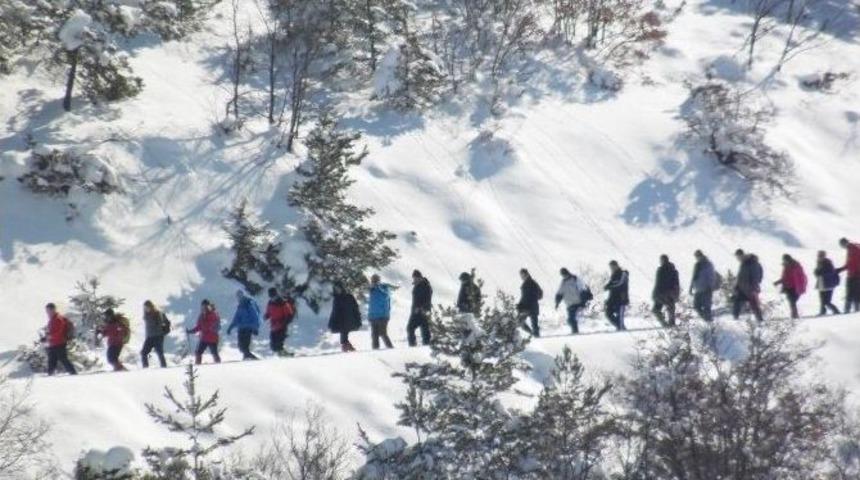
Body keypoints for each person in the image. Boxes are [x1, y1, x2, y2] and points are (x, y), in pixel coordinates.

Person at [44, 303, 77, 376]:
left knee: (63, 359)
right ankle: (50, 374)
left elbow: (59, 332)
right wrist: (47, 337)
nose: (47, 313)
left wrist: (49, 336)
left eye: (48, 310)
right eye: (47, 311)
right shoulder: (52, 320)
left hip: (60, 342)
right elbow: (51, 331)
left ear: (53, 310)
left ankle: (73, 373)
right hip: (53, 343)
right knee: (52, 360)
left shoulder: (58, 319)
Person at [228, 290, 261, 360]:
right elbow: (236, 318)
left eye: (240, 296)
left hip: (248, 328)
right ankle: (247, 357)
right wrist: (231, 327)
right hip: (241, 328)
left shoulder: (249, 304)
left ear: (243, 295)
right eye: (238, 296)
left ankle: (253, 359)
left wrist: (255, 328)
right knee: (241, 346)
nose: (239, 298)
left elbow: (255, 316)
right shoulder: (240, 306)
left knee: (244, 347)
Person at [733, 249, 764, 322]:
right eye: (737, 257)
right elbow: (740, 276)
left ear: (742, 255)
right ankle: (735, 319)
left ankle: (760, 321)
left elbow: (756, 276)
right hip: (742, 288)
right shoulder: (743, 263)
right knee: (737, 302)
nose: (738, 259)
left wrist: (754, 287)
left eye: (738, 256)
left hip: (751, 289)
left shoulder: (752, 263)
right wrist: (737, 286)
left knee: (755, 306)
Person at [329, 282, 361, 352]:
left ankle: (346, 347)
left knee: (344, 333)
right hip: (345, 321)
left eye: (338, 289)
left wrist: (357, 318)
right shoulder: (340, 298)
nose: (337, 291)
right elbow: (335, 312)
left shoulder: (347, 297)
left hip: (347, 320)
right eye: (336, 289)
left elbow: (355, 308)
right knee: (344, 333)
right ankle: (347, 346)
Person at [187, 299, 221, 365]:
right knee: (198, 352)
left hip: (212, 337)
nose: (204, 307)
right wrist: (191, 331)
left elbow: (211, 325)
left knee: (214, 353)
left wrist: (205, 326)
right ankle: (198, 366)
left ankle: (218, 365)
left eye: (205, 306)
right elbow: (199, 326)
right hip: (205, 338)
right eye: (203, 306)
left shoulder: (213, 314)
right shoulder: (202, 315)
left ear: (208, 306)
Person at [774, 254, 807, 319]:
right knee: (792, 301)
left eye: (785, 260)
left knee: (792, 301)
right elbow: (784, 277)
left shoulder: (796, 266)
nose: (785, 261)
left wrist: (801, 285)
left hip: (795, 286)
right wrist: (778, 282)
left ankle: (794, 314)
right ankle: (794, 314)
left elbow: (800, 277)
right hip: (788, 287)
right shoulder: (787, 267)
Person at [555, 268, 587, 334]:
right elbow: (560, 293)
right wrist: (557, 303)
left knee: (571, 319)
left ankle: (575, 331)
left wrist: (583, 301)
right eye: (562, 275)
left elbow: (582, 289)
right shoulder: (563, 282)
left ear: (567, 273)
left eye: (564, 274)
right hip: (569, 304)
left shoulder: (575, 279)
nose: (564, 276)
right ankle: (575, 331)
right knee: (570, 320)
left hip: (577, 302)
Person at [652, 254, 681, 327]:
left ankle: (664, 324)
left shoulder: (661, 270)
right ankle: (671, 324)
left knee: (656, 309)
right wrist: (676, 294)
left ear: (662, 260)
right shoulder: (674, 270)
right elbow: (677, 283)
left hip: (662, 293)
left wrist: (655, 294)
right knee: (670, 308)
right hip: (671, 293)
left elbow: (658, 283)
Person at [265, 288, 295, 357]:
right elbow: (269, 311)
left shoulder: (282, 302)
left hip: (282, 325)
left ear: (276, 295)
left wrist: (285, 323)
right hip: (274, 326)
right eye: (271, 296)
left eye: (273, 296)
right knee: (273, 345)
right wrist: (267, 316)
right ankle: (282, 354)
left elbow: (289, 314)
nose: (272, 298)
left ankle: (284, 355)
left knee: (279, 342)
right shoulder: (270, 302)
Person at [689, 250, 717, 322]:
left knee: (707, 307)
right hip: (698, 289)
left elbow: (711, 276)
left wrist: (710, 286)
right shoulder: (697, 265)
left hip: (706, 289)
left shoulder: (707, 264)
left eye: (698, 256)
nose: (697, 258)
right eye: (696, 256)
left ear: (701, 255)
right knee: (696, 306)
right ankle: (706, 319)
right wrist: (691, 287)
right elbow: (694, 277)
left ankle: (710, 322)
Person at [368, 274, 394, 350]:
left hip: (383, 316)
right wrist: (370, 315)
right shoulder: (371, 290)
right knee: (374, 335)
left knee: (383, 333)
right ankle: (375, 350)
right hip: (373, 316)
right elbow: (372, 304)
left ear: (379, 281)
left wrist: (378, 287)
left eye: (375, 281)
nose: (374, 282)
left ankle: (391, 348)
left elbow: (386, 296)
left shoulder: (384, 288)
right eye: (373, 281)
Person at [407, 270, 433, 347]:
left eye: (415, 278)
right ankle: (412, 345)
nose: (414, 279)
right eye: (413, 278)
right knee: (410, 328)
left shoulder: (426, 286)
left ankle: (427, 346)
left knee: (425, 330)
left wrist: (421, 307)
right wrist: (414, 309)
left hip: (424, 311)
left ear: (420, 277)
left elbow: (428, 299)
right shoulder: (416, 286)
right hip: (415, 312)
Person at [141, 300, 168, 368]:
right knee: (143, 353)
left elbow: (160, 323)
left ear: (151, 306)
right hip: (150, 337)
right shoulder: (146, 315)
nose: (146, 308)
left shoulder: (157, 314)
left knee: (159, 353)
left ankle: (164, 367)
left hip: (157, 336)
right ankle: (145, 368)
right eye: (145, 307)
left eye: (147, 307)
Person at [517, 268, 543, 337]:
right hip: (532, 306)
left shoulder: (529, 284)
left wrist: (520, 305)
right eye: (521, 275)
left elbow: (525, 296)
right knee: (533, 324)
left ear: (526, 274)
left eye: (522, 275)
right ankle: (535, 335)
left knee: (521, 322)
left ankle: (535, 336)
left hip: (527, 307)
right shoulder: (533, 283)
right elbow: (540, 295)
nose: (522, 277)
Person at [604, 261, 629, 331]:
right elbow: (611, 284)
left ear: (616, 265)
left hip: (621, 298)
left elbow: (620, 284)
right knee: (608, 313)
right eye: (610, 267)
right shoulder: (613, 275)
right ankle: (620, 326)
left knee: (619, 315)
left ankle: (621, 328)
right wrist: (607, 286)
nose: (611, 269)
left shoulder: (623, 274)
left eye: (612, 267)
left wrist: (610, 286)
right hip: (612, 298)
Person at [814, 250, 841, 316]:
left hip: (828, 284)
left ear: (824, 256)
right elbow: (817, 272)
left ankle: (836, 310)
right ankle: (822, 311)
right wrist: (816, 273)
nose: (819, 257)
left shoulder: (828, 263)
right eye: (819, 255)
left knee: (827, 301)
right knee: (822, 300)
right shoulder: (818, 262)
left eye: (821, 255)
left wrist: (821, 273)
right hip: (821, 283)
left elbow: (831, 272)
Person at [837, 238, 860, 313]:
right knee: (855, 292)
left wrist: (857, 271)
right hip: (853, 274)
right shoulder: (851, 248)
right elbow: (849, 263)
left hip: (855, 274)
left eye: (841, 245)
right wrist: (841, 269)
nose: (842, 247)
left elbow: (854, 262)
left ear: (845, 243)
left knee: (851, 292)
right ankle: (855, 309)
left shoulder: (854, 249)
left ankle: (849, 310)